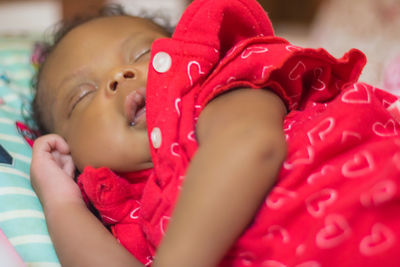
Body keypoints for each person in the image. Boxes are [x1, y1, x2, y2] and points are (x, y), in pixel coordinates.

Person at [30, 0, 400, 266]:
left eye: (142, 54)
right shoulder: (124, 216)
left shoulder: (216, 93)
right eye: (81, 96)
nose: (118, 77)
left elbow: (249, 145)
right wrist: (62, 203)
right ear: (74, 153)